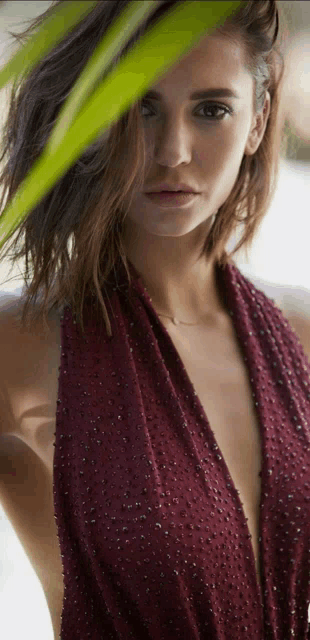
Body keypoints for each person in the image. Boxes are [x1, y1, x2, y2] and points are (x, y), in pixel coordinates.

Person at [0, 2, 309, 639]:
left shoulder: (302, 332)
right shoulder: (19, 345)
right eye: (140, 108)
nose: (172, 152)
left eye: (211, 109)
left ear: (256, 121)